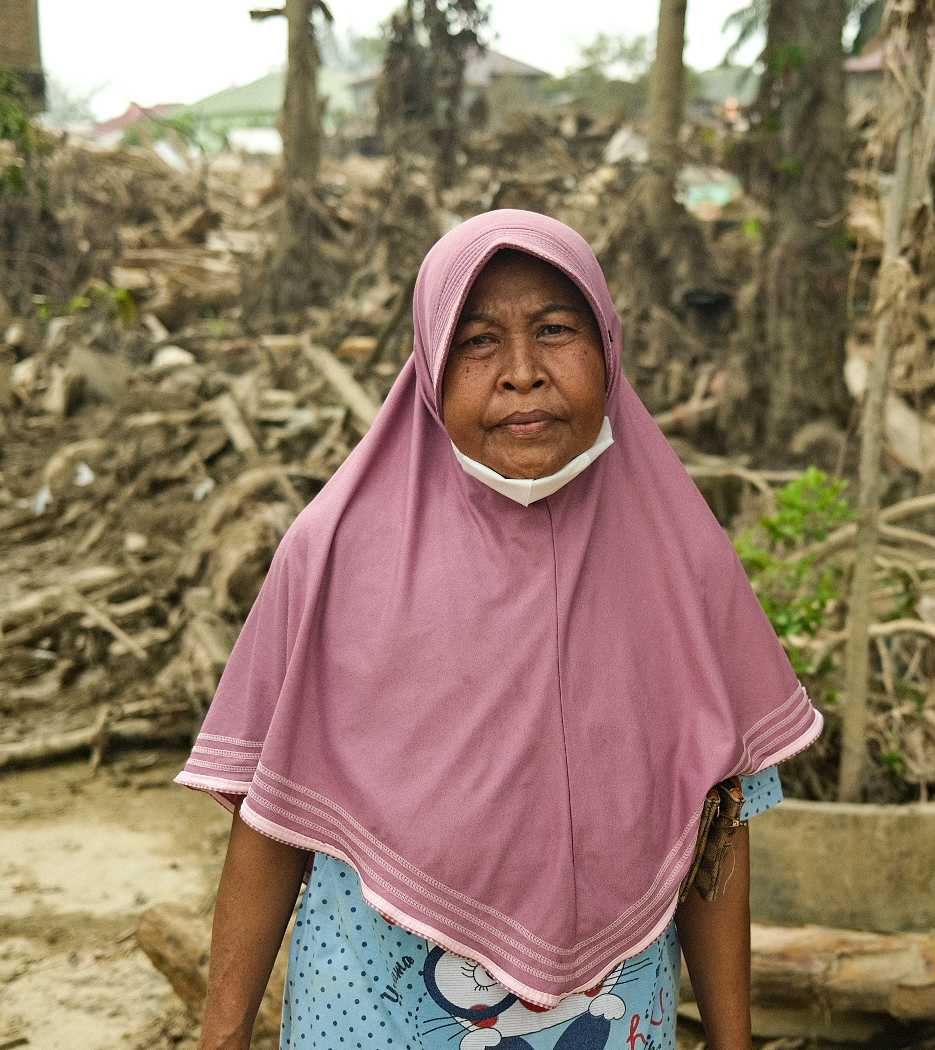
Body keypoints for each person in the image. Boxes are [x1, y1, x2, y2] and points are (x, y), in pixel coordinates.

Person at [176, 210, 822, 1050]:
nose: (521, 373)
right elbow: (271, 817)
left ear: (608, 348)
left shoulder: (681, 557)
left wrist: (733, 1044)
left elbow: (719, 820)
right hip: (377, 1017)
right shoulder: (335, 552)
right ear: (431, 369)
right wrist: (220, 1042)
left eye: (555, 330)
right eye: (478, 341)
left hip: (611, 1018)